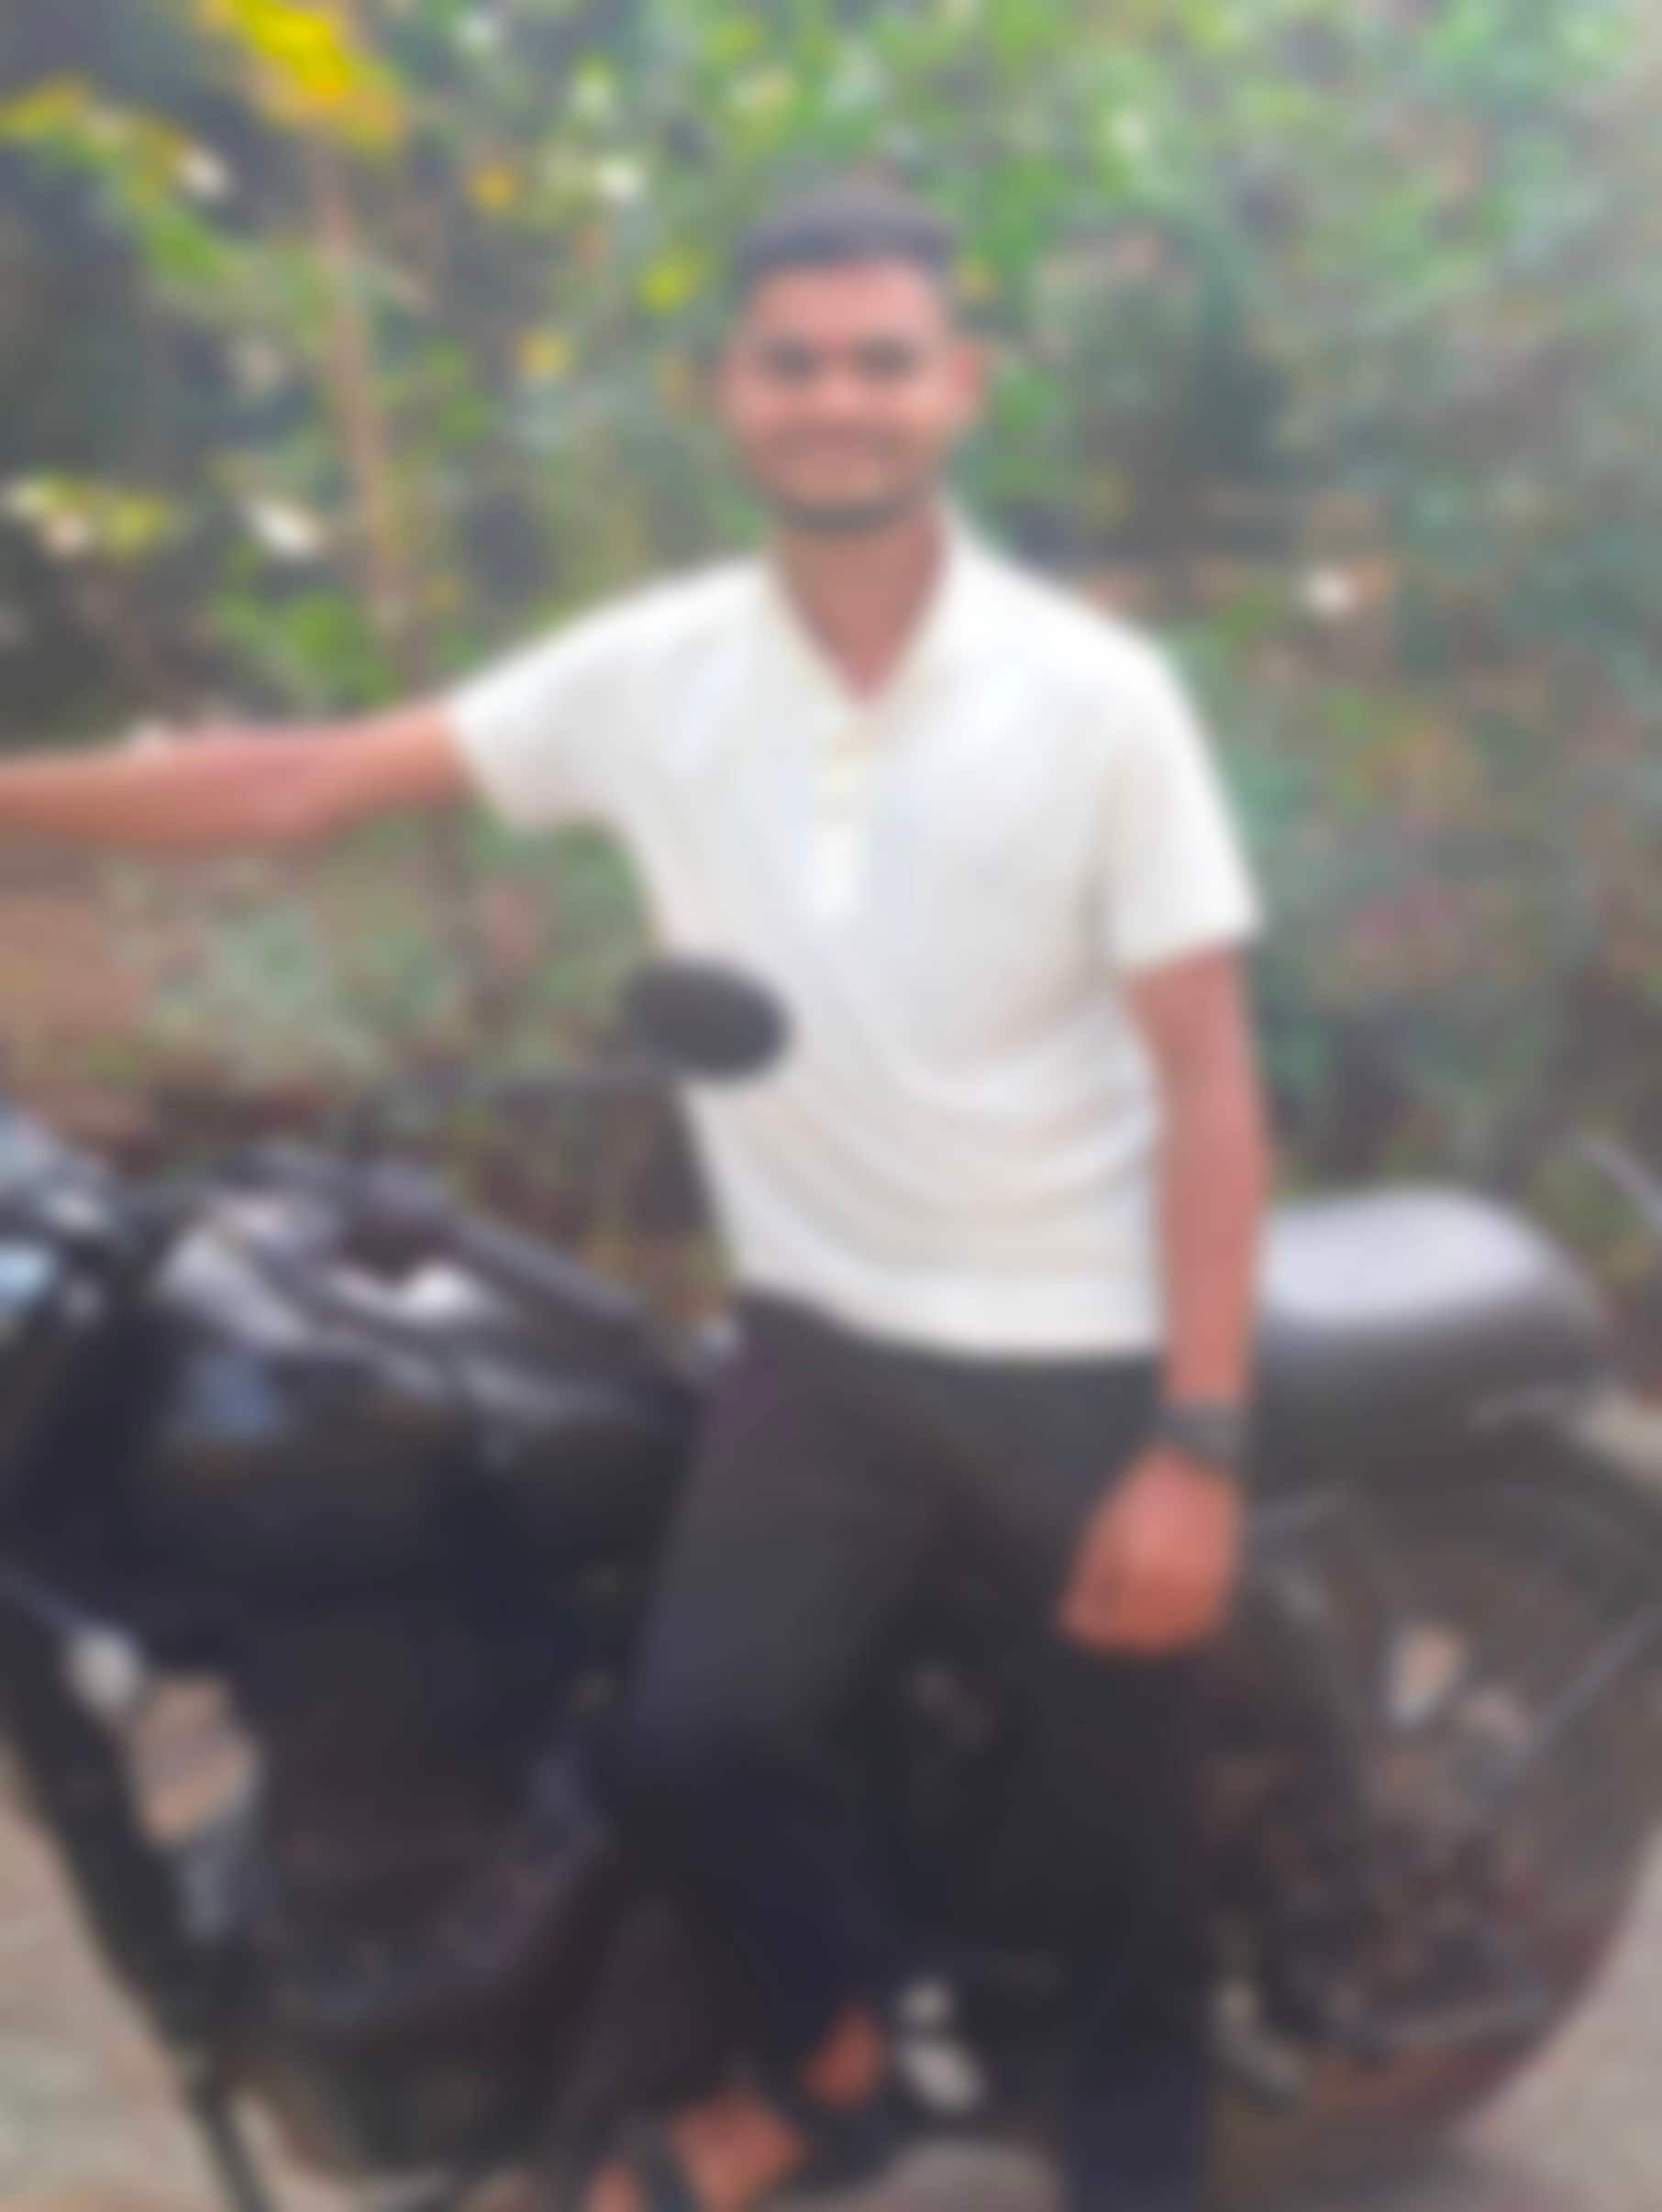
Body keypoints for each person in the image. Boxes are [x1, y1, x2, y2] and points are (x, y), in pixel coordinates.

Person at [0, 174, 1269, 2212]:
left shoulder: (1095, 695)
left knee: (1122, 1893)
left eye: (881, 361)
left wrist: (1194, 1444)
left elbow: (1208, 1073)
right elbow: (298, 780)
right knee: (690, 1746)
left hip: (1079, 1351)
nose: (836, 398)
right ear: (729, 392)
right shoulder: (657, 673)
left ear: (958, 385)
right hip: (823, 1347)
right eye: (794, 363)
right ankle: (837, 2053)